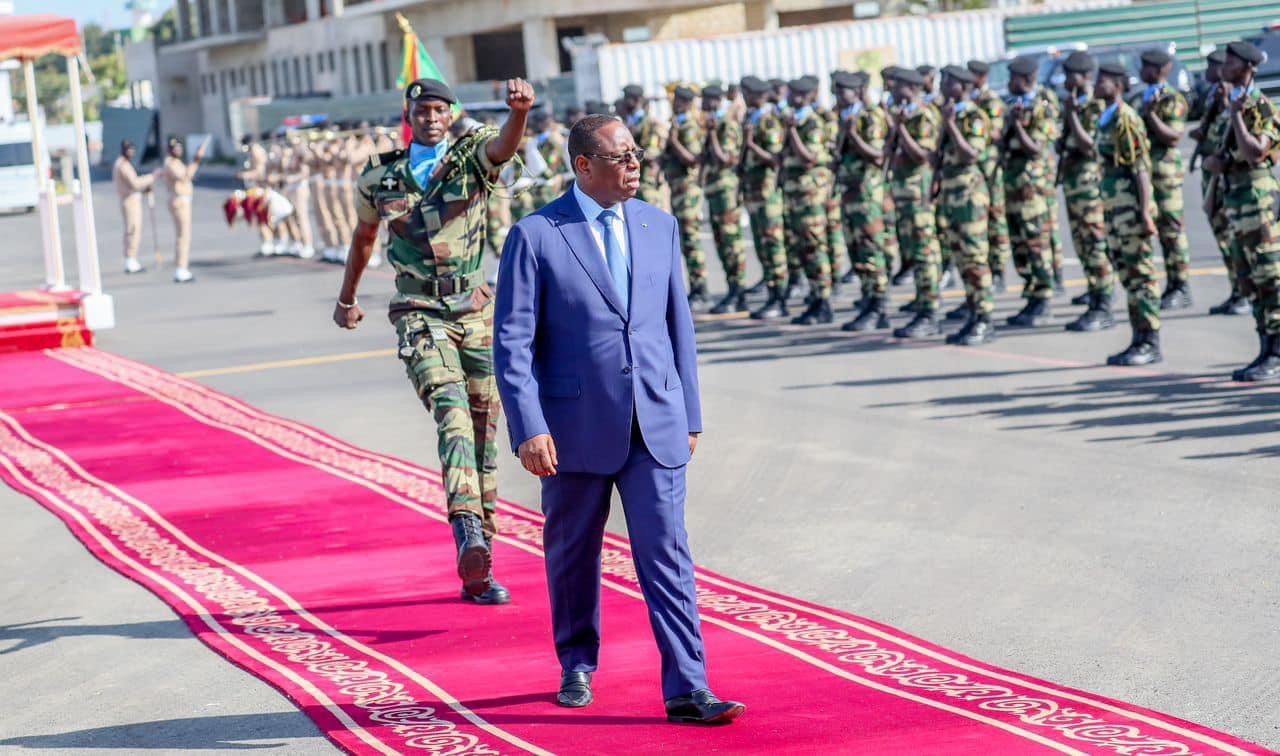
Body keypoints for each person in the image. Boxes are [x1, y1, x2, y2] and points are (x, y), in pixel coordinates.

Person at [492, 112, 745, 724]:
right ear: (583, 166)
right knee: (573, 553)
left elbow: (676, 325)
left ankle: (688, 686)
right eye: (620, 156)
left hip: (654, 425)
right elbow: (513, 343)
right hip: (571, 430)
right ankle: (577, 662)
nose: (635, 165)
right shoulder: (537, 234)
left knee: (667, 553)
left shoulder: (660, 226)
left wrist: (689, 411)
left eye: (636, 153)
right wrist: (529, 427)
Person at [331, 76, 535, 603]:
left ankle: (481, 564)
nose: (431, 117)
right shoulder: (381, 174)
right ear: (409, 114)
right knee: (452, 410)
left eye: (440, 109)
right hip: (418, 310)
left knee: (486, 431)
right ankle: (466, 524)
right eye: (422, 109)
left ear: (451, 114)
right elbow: (364, 236)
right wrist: (347, 297)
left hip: (474, 310)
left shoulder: (470, 157)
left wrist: (520, 113)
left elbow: (503, 148)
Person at [1204, 41, 1280, 382]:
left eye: (1231, 60)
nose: (1225, 64)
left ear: (1247, 67)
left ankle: (1276, 351)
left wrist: (1236, 114)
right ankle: (1265, 346)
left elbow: (1255, 153)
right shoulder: (1230, 104)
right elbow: (1223, 153)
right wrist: (1213, 162)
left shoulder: (1261, 106)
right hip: (1236, 201)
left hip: (1258, 199)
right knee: (1248, 279)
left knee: (1269, 277)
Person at [1095, 62, 1163, 365]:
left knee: (1141, 275)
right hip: (1115, 210)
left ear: (1119, 84)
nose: (1098, 83)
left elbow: (1140, 169)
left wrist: (1146, 212)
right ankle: (1138, 337)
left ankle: (1150, 340)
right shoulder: (1107, 117)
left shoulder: (1126, 119)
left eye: (1104, 79)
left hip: (1131, 211)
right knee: (1128, 275)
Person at [935, 65, 996, 345]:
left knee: (975, 258)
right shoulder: (952, 113)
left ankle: (985, 318)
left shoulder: (973, 116)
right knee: (961, 258)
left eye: (947, 81)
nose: (942, 85)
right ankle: (973, 314)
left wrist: (949, 125)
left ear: (961, 86)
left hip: (970, 197)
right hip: (952, 196)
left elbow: (971, 155)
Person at [1190, 49, 1250, 316]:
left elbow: (1233, 139)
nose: (1207, 72)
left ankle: (1243, 292)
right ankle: (1236, 290)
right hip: (1213, 179)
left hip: (1230, 182)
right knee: (1224, 239)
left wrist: (1225, 105)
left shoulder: (1233, 99)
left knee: (1234, 240)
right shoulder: (1213, 98)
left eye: (1212, 66)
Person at [1059, 51, 1116, 332]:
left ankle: (1103, 305)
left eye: (1071, 74)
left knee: (1095, 245)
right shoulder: (1074, 103)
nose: (1067, 79)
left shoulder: (1094, 106)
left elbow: (1089, 145)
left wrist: (1071, 116)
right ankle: (1095, 294)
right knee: (1082, 244)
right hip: (1074, 186)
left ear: (1085, 76)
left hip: (1090, 186)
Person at [835, 71, 894, 332]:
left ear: (857, 91)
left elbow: (878, 156)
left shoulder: (870, 117)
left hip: (868, 195)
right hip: (850, 194)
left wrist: (853, 136)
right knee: (858, 252)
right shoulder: (847, 116)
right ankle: (869, 300)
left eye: (842, 90)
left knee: (871, 252)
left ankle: (879, 307)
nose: (838, 95)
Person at [1002, 56, 1057, 328]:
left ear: (1025, 80)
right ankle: (1032, 294)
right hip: (1013, 186)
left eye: (1013, 78)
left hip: (1032, 188)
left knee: (1036, 243)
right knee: (1020, 245)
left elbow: (1035, 147)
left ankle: (1044, 297)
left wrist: (1017, 127)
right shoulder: (1013, 105)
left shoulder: (1041, 107)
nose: (1009, 83)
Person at [888, 68, 943, 338]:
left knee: (924, 254)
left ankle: (930, 312)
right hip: (905, 195)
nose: (892, 89)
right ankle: (922, 303)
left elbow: (921, 155)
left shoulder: (923, 115)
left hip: (919, 196)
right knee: (914, 253)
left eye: (897, 85)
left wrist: (900, 128)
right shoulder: (906, 113)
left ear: (910, 87)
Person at [1137, 48, 1193, 309]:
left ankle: (1181, 286)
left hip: (1167, 174)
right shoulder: (1143, 96)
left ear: (1160, 70)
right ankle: (1171, 284)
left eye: (1146, 66)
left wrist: (1151, 115)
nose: (1141, 70)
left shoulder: (1173, 99)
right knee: (1159, 231)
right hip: (1149, 173)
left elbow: (1173, 136)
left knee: (1173, 231)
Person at [782, 76, 836, 325]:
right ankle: (815, 298)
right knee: (803, 249)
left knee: (815, 248)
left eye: (795, 95)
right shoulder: (796, 120)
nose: (791, 99)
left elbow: (809, 158)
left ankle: (823, 302)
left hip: (811, 197)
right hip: (796, 197)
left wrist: (792, 131)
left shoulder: (811, 123)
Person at [740, 76, 790, 320]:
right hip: (754, 192)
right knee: (762, 246)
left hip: (767, 192)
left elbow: (774, 158)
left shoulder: (769, 120)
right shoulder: (751, 117)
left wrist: (750, 143)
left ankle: (780, 297)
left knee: (773, 246)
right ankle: (772, 292)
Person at [701, 84, 748, 314]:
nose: (703, 104)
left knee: (732, 243)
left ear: (717, 101)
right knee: (721, 243)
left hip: (726, 190)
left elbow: (726, 160)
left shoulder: (726, 125)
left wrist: (711, 134)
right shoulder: (711, 124)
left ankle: (739, 292)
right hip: (714, 191)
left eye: (708, 100)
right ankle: (732, 289)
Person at [968, 59, 1011, 292]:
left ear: (982, 77)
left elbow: (995, 133)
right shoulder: (971, 101)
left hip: (990, 167)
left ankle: (1000, 270)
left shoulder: (990, 101)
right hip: (977, 170)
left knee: (996, 218)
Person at [663, 85, 708, 307]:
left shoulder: (689, 126)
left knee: (691, 239)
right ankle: (696, 287)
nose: (675, 103)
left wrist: (674, 142)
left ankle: (701, 288)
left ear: (687, 102)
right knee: (685, 240)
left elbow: (692, 159)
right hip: (678, 190)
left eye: (679, 100)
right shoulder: (679, 122)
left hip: (688, 190)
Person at [158, 136, 205, 283]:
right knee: (183, 236)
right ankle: (181, 269)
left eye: (179, 147)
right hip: (179, 202)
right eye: (175, 148)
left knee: (183, 235)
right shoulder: (170, 163)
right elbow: (185, 176)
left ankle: (181, 267)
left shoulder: (176, 161)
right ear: (169, 150)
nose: (178, 150)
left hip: (182, 201)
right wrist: (197, 161)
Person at [112, 139, 156, 274]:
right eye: (128, 149)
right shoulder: (123, 165)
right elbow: (135, 184)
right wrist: (152, 177)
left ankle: (132, 258)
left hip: (132, 198)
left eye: (132, 149)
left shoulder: (124, 163)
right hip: (129, 200)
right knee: (132, 229)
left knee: (134, 229)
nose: (131, 152)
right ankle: (130, 259)